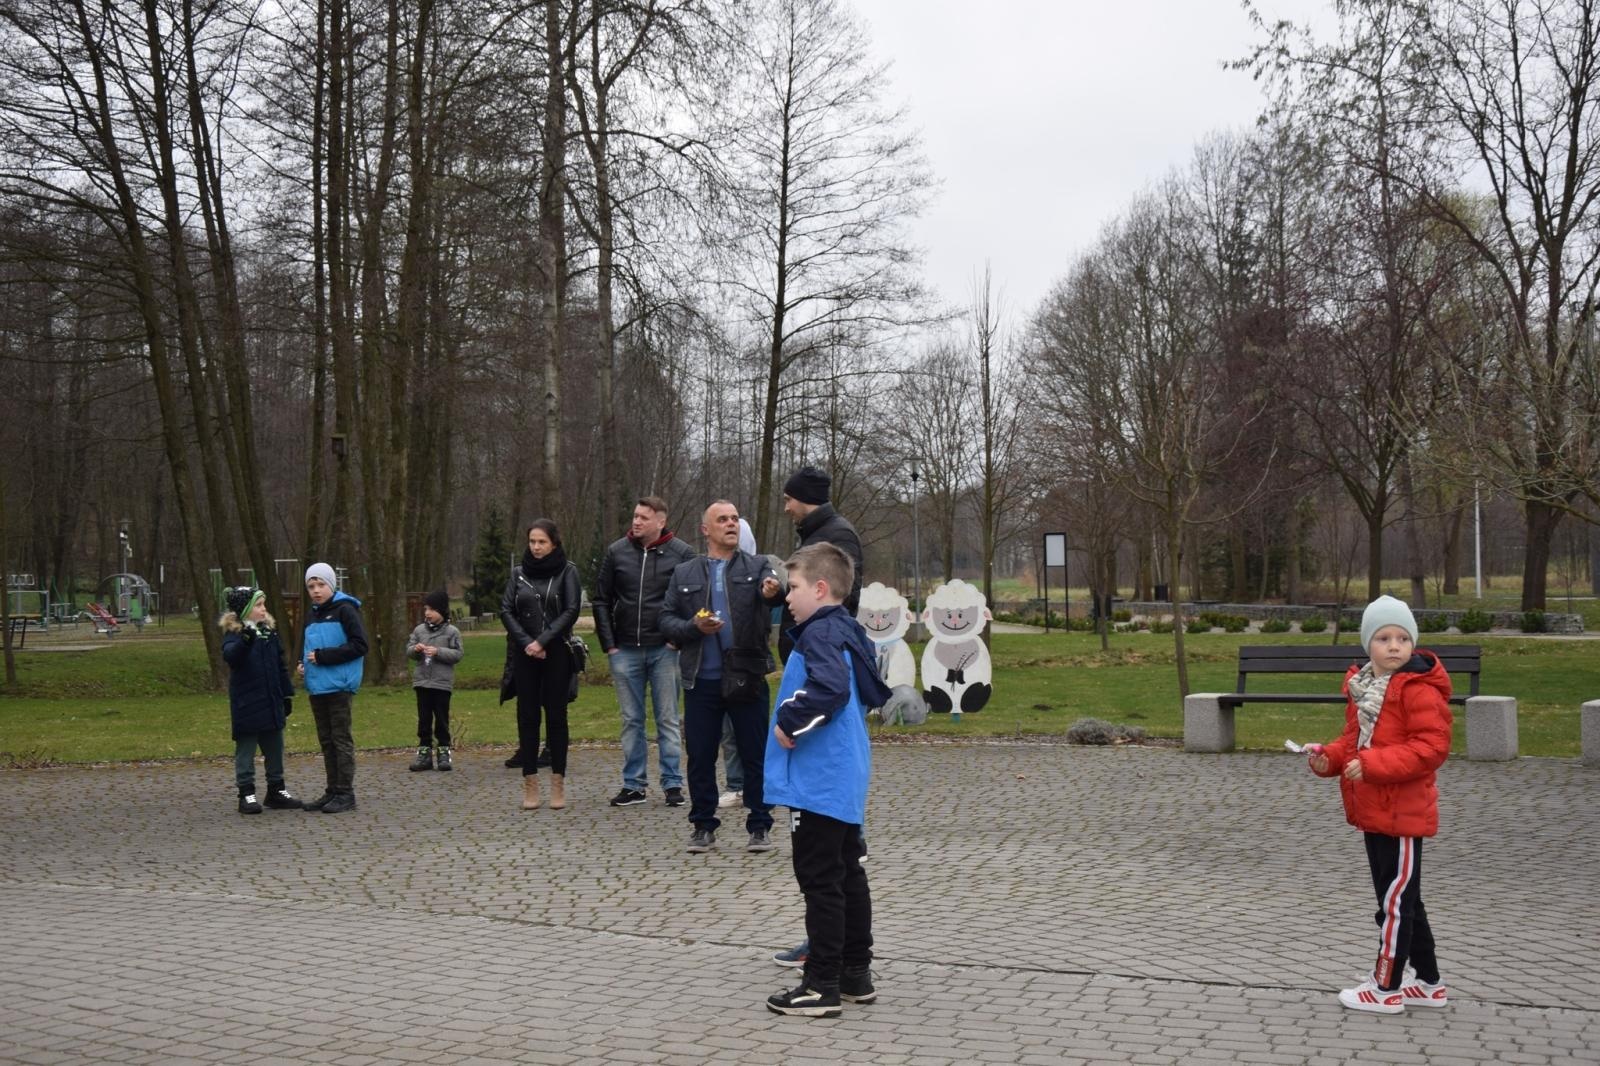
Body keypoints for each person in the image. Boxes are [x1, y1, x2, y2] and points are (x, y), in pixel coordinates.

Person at [1307, 594, 1452, 1014]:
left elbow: (1431, 749)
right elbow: (1353, 741)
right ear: (1367, 644)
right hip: (1375, 809)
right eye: (1384, 638)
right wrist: (1329, 758)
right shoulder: (1365, 686)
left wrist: (1370, 765)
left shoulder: (1418, 689)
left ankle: (1386, 987)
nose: (1394, 646)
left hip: (1402, 812)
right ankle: (1429, 983)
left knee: (1395, 905)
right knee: (1405, 900)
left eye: (1403, 638)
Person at [763, 542, 891, 1017]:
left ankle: (820, 985)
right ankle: (855, 974)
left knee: (820, 881)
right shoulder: (848, 630)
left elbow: (830, 690)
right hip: (845, 774)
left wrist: (789, 721)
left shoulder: (817, 633)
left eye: (793, 586)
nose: (787, 597)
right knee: (847, 874)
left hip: (819, 780)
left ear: (820, 589)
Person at [658, 500, 783, 854]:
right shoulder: (684, 572)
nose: (731, 524)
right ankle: (703, 825)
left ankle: (759, 825)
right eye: (723, 519)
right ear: (706, 529)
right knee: (700, 755)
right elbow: (666, 619)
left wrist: (774, 592)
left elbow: (776, 596)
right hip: (701, 679)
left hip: (747, 675)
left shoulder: (758, 566)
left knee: (754, 753)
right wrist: (693, 627)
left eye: (734, 519)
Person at [593, 496, 695, 808]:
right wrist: (609, 644)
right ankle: (634, 785)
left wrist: (676, 640)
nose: (636, 521)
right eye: (635, 516)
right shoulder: (617, 551)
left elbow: (692, 600)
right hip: (624, 649)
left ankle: (672, 784)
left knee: (667, 719)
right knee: (631, 720)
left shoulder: (682, 553)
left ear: (660, 522)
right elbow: (601, 599)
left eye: (643, 517)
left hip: (665, 650)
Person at [502, 519, 582, 811]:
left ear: (554, 543)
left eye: (542, 542)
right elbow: (506, 609)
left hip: (556, 651)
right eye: (532, 541)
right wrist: (527, 642)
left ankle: (558, 782)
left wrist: (543, 641)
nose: (536, 547)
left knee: (556, 717)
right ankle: (530, 781)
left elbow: (571, 610)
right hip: (525, 653)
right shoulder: (518, 573)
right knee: (528, 716)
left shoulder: (568, 571)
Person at [219, 586, 300, 814]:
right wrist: (245, 641)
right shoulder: (235, 634)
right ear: (245, 609)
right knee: (246, 749)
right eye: (258, 605)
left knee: (275, 747)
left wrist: (286, 694)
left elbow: (280, 666)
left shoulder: (269, 634)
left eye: (264, 604)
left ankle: (276, 789)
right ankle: (246, 792)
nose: (264, 609)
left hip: (271, 701)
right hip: (247, 703)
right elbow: (231, 656)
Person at [772, 466, 864, 663]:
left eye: (788, 500)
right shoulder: (813, 533)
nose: (786, 508)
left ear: (804, 497)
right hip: (809, 650)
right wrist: (778, 594)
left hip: (820, 653)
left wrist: (818, 644)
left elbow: (845, 596)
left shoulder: (840, 535)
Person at [299, 563, 368, 814]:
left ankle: (345, 793)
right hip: (318, 687)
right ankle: (332, 790)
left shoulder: (346, 610)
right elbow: (308, 646)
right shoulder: (312, 614)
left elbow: (360, 645)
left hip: (339, 686)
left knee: (340, 740)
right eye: (311, 586)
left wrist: (323, 656)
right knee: (327, 742)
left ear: (332, 584)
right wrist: (302, 663)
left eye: (321, 585)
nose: (316, 590)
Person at [407, 588, 464, 772]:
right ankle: (424, 753)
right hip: (422, 682)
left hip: (442, 684)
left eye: (432, 609)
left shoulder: (452, 632)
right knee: (424, 720)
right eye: (426, 609)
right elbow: (409, 650)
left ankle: (443, 752)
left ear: (441, 610)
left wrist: (438, 652)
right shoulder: (419, 630)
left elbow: (458, 654)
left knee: (441, 719)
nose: (427, 613)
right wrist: (415, 649)